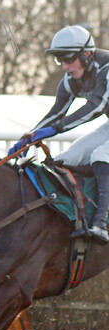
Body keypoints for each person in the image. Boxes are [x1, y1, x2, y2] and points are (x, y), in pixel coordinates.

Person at [10, 25, 109, 243]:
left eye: (68, 58)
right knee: (66, 159)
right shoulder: (70, 80)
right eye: (59, 60)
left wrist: (55, 129)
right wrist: (30, 136)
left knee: (101, 155)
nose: (64, 66)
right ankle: (75, 217)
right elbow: (56, 113)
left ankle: (101, 224)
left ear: (87, 54)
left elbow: (96, 107)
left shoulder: (107, 68)